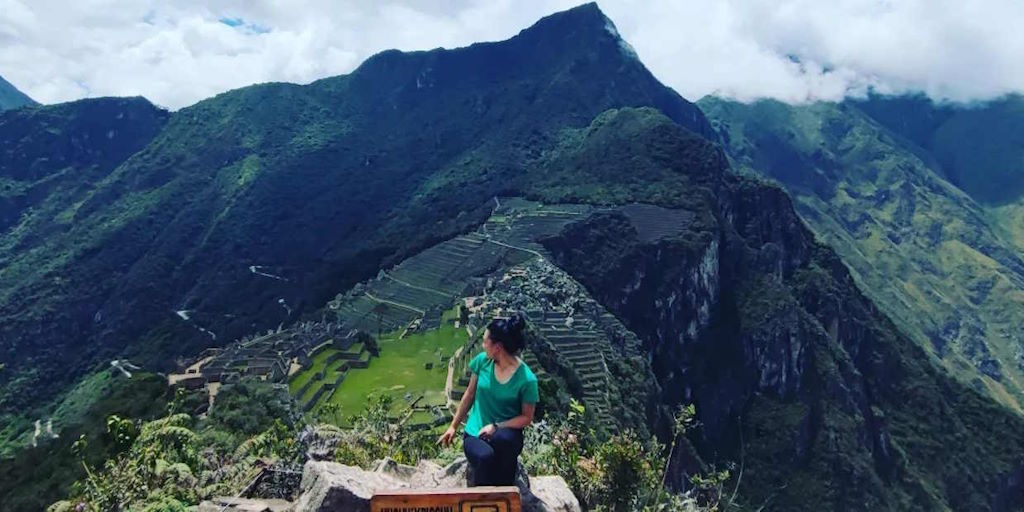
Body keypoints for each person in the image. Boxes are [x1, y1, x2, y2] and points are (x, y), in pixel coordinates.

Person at [437, 312, 539, 486]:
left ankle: (505, 490)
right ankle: (483, 496)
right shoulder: (482, 362)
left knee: (505, 444)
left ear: (497, 347)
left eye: (485, 342)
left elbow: (526, 417)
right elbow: (469, 394)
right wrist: (453, 426)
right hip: (476, 432)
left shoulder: (527, 379)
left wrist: (497, 426)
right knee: (485, 457)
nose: (483, 346)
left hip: (505, 432)